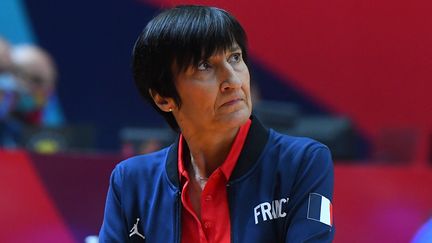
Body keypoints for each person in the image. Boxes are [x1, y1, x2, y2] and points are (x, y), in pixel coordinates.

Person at [100, 5, 334, 243]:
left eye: (235, 57)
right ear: (162, 97)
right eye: (205, 66)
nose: (232, 80)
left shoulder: (303, 162)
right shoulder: (130, 181)